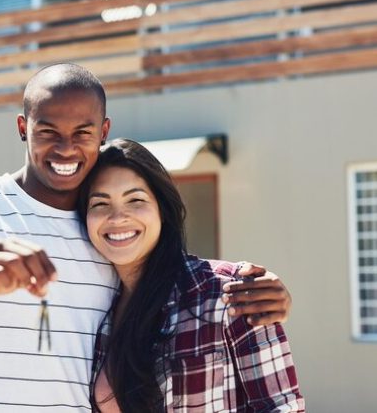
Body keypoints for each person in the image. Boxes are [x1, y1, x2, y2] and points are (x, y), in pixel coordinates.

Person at [0, 64, 292, 411]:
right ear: (23, 127)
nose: (65, 149)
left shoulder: (107, 238)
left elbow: (169, 289)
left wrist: (257, 291)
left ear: (104, 129)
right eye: (47, 131)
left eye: (82, 132)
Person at [76, 138, 304, 412]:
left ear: (162, 209)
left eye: (135, 200)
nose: (117, 217)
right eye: (100, 204)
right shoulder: (95, 309)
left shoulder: (228, 294)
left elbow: (281, 407)